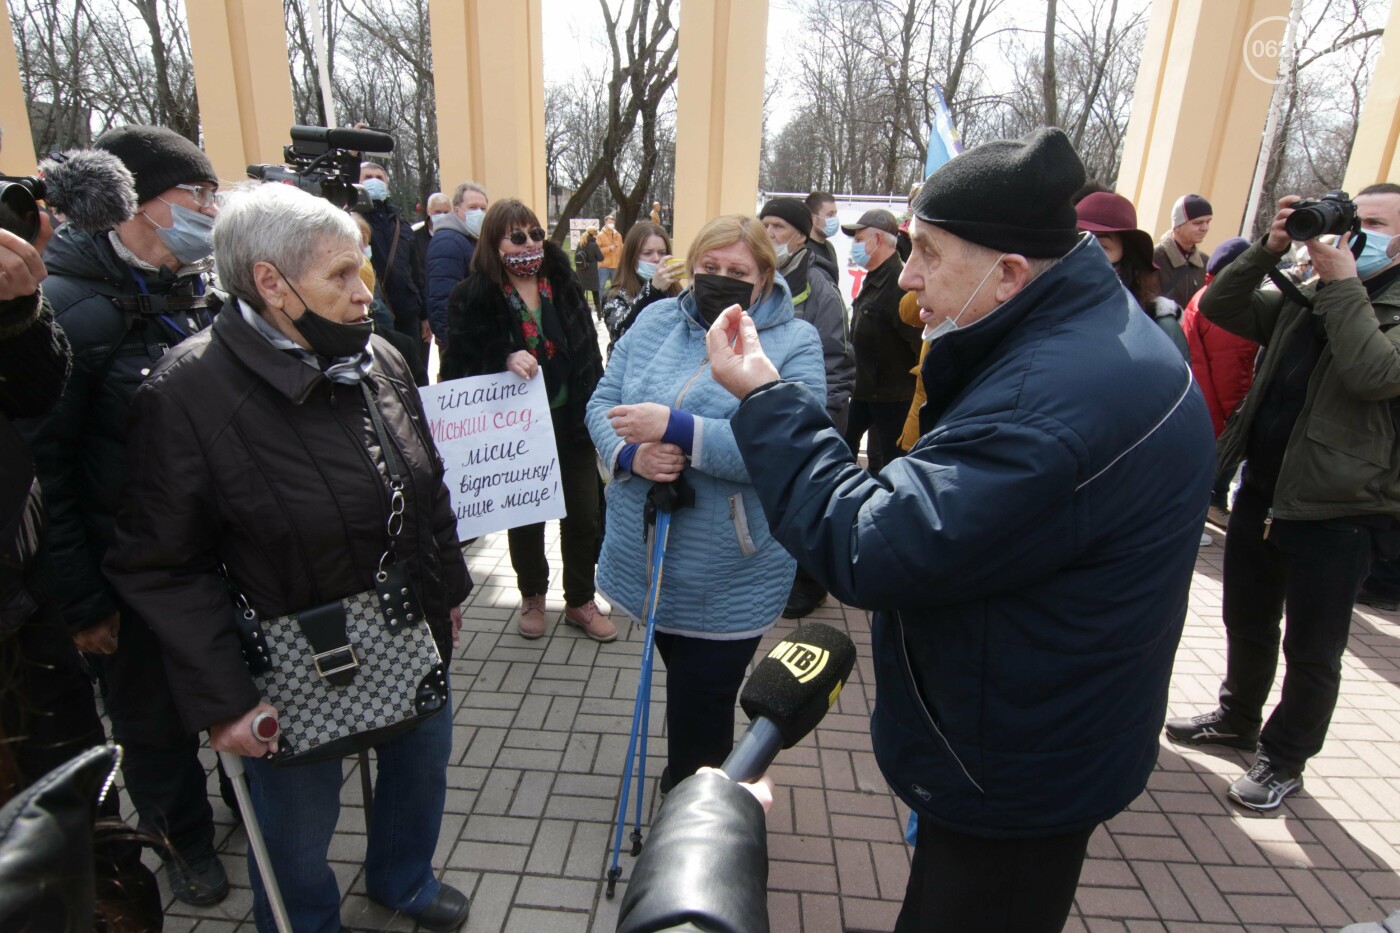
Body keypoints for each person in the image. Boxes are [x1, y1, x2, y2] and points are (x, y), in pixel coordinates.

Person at [704, 128, 1214, 931]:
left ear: (1010, 272)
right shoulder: (1085, 330)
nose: (906, 277)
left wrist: (766, 399)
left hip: (1014, 767)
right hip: (1042, 726)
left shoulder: (1046, 404)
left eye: (930, 253)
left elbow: (869, 543)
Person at [104, 182, 475, 933]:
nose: (363, 292)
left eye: (363, 269)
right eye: (340, 274)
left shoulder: (379, 359)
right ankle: (305, 922)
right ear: (271, 283)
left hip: (406, 626)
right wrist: (226, 701)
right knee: (296, 835)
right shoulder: (187, 392)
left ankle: (403, 877)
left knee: (419, 767)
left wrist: (450, 590)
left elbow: (427, 483)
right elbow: (160, 567)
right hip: (285, 668)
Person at [14, 123, 231, 905]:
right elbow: (47, 476)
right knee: (152, 724)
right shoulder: (65, 313)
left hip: (210, 563)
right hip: (123, 576)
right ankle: (182, 842)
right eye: (196, 195)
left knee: (232, 691)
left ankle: (245, 805)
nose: (211, 209)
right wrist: (83, 603)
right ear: (132, 204)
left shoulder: (197, 292)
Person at [1165, 184, 1400, 812]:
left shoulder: (1365, 299)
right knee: (1246, 617)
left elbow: (1373, 374)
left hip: (1339, 508)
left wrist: (1346, 284)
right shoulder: (1312, 293)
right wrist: (1269, 248)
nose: (1359, 233)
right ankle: (1238, 717)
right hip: (1262, 487)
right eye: (1356, 220)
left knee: (1313, 648)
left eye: (1375, 224)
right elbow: (1221, 304)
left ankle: (1285, 758)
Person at [586, 214, 825, 792]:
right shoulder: (653, 321)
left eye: (737, 271)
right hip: (649, 554)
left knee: (704, 701)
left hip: (729, 569)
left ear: (764, 277)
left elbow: (789, 449)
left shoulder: (795, 343)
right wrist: (628, 455)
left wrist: (681, 430)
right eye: (708, 268)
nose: (720, 278)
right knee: (683, 683)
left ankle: (695, 812)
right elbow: (602, 401)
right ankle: (692, 785)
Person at [440, 200, 614, 642]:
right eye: (517, 237)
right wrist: (502, 357)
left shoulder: (561, 280)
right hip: (514, 429)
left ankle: (579, 599)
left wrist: (596, 409)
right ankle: (532, 595)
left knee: (583, 513)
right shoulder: (472, 295)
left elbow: (589, 350)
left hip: (570, 419)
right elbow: (455, 368)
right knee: (526, 515)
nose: (531, 244)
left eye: (535, 234)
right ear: (494, 243)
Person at [758, 196, 856, 619]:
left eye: (777, 227)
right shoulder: (761, 280)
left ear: (800, 235)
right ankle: (780, 577)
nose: (768, 235)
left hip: (808, 416)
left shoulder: (819, 288)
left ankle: (812, 586)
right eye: (763, 225)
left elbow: (836, 361)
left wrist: (821, 420)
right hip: (769, 415)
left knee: (808, 502)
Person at [1181, 236, 1255, 526]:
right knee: (1203, 478)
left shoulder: (1206, 295)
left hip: (1197, 398)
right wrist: (1238, 415)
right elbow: (1232, 369)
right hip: (1213, 408)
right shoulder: (1230, 308)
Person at [841, 208, 920, 473]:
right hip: (865, 389)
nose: (855, 246)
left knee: (893, 464)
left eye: (859, 239)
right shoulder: (876, 277)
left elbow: (919, 345)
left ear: (878, 240)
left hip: (893, 398)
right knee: (843, 448)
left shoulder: (899, 284)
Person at [1076, 191, 1190, 360]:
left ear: (1126, 260)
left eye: (1102, 246)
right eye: (1078, 240)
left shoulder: (1160, 328)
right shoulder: (1040, 306)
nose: (1086, 252)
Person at [359, 161, 429, 368]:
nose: (374, 182)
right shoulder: (353, 220)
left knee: (413, 370)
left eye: (379, 178)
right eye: (367, 177)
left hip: (408, 312)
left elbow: (416, 271)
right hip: (376, 314)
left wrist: (425, 316)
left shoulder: (401, 224)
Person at [425, 180, 489, 362]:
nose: (479, 213)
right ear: (457, 210)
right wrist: (455, 345)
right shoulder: (449, 242)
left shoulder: (470, 239)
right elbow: (442, 301)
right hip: (462, 346)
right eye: (473, 207)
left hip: (475, 339)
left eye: (483, 208)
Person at [601, 220, 682, 355]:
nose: (656, 259)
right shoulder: (616, 296)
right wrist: (653, 291)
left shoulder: (675, 291)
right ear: (632, 257)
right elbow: (619, 331)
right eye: (647, 253)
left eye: (662, 253)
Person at [1154, 193, 1214, 308]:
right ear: (1177, 226)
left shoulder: (1206, 263)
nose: (1205, 228)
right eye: (1198, 223)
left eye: (1208, 222)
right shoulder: (1152, 260)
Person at [412, 191, 451, 297]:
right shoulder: (414, 238)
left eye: (446, 212)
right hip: (424, 296)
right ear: (429, 211)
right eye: (438, 212)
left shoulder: (457, 238)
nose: (442, 216)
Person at [806, 191, 841, 281]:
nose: (834, 219)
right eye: (830, 214)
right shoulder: (803, 249)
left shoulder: (829, 247)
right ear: (813, 218)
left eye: (835, 214)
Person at [574, 227, 603, 313]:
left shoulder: (580, 243)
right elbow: (601, 258)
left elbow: (576, 256)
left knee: (580, 294)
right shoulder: (594, 245)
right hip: (592, 274)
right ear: (593, 234)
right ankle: (599, 314)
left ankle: (579, 312)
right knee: (595, 293)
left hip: (580, 273)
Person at [597, 213, 622, 296]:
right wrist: (608, 249)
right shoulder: (600, 235)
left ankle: (613, 304)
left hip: (615, 265)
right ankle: (600, 306)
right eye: (609, 222)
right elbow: (597, 250)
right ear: (605, 223)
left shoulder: (618, 235)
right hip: (604, 265)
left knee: (615, 287)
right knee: (601, 286)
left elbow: (621, 248)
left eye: (612, 222)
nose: (611, 223)